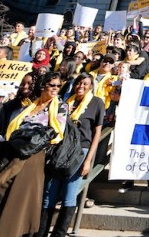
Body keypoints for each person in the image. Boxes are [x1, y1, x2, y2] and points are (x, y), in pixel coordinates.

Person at [0, 72, 67, 237]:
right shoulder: (24, 106)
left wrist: (28, 137)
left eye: (58, 85)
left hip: (31, 157)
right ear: (42, 86)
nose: (56, 88)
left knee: (16, 202)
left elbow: (56, 133)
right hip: (8, 154)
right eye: (52, 85)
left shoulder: (60, 107)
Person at [39, 73, 105, 237]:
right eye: (78, 83)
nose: (81, 86)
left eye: (85, 84)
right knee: (49, 193)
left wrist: (89, 160)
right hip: (59, 150)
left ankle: (59, 234)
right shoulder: (64, 102)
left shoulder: (97, 102)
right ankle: (41, 232)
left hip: (79, 152)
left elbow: (97, 133)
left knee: (69, 194)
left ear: (90, 86)